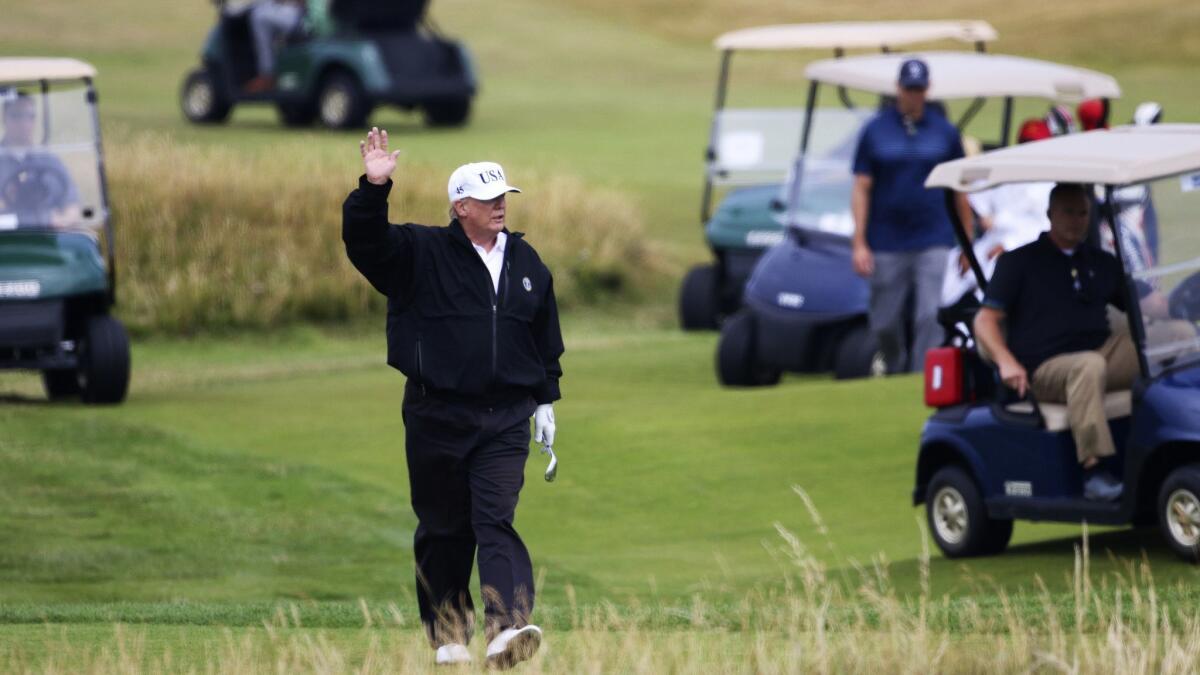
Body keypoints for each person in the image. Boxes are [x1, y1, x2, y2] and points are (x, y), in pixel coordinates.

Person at [342, 128, 563, 668]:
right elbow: (365, 243)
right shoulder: (419, 253)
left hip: (505, 417)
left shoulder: (526, 262)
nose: (499, 208)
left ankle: (507, 631)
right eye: (488, 200)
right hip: (435, 413)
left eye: (503, 198)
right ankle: (448, 636)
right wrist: (375, 186)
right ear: (459, 206)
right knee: (444, 528)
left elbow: (543, 336)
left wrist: (545, 400)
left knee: (495, 519)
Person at [974, 183, 1135, 501]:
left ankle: (1169, 441)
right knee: (1088, 366)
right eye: (1068, 212)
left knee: (1172, 341)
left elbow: (1143, 304)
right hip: (1043, 368)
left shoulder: (1100, 262)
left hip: (1099, 353)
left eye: (1083, 213)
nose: (1076, 220)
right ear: (1049, 215)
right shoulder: (1019, 263)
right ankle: (1094, 470)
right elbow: (985, 320)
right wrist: (1005, 361)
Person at [851, 58, 974, 372]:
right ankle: (894, 367)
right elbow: (862, 187)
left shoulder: (945, 132)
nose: (913, 95)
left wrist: (967, 242)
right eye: (908, 89)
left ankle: (921, 378)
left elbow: (959, 190)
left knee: (928, 314)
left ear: (927, 90)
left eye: (919, 89)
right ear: (898, 89)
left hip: (932, 235)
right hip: (886, 239)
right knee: (884, 322)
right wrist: (859, 241)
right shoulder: (875, 130)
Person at [940, 119, 1054, 307]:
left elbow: (1043, 228)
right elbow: (971, 196)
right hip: (990, 243)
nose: (1029, 150)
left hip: (1025, 248)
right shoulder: (1006, 173)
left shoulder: (1049, 185)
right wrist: (969, 241)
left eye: (1034, 145)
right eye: (1025, 143)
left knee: (996, 275)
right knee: (950, 271)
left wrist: (1008, 245)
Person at [0, 92, 80, 228]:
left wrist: (64, 219)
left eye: (30, 117)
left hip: (47, 237)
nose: (24, 123)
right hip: (7, 240)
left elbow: (72, 205)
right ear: (4, 119)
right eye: (16, 116)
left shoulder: (50, 161)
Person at [244, 0, 308, 93]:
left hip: (305, 18)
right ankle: (272, 74)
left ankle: (267, 75)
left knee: (258, 16)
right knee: (262, 9)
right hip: (301, 15)